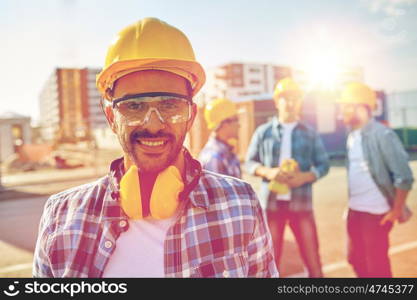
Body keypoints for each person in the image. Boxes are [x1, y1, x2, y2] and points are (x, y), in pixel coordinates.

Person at [33, 18, 277, 278]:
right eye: (134, 106)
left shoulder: (240, 204)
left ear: (191, 116)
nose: (153, 125)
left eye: (170, 105)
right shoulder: (60, 218)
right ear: (111, 118)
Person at [245, 77, 330, 277]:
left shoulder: (310, 133)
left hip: (302, 206)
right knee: (269, 262)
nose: (290, 103)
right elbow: (250, 162)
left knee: (313, 261)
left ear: (300, 101)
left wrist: (306, 176)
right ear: (277, 101)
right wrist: (268, 172)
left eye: (295, 98)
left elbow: (323, 164)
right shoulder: (263, 132)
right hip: (272, 206)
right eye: (285, 98)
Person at [337, 82, 414, 277]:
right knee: (354, 259)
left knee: (377, 269)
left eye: (346, 105)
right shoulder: (351, 135)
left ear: (361, 106)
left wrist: (397, 210)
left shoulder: (383, 134)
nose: (341, 111)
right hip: (355, 210)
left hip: (376, 214)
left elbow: (404, 176)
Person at [198, 98, 241, 178]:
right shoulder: (214, 157)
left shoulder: (226, 152)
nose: (239, 125)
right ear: (225, 124)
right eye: (236, 119)